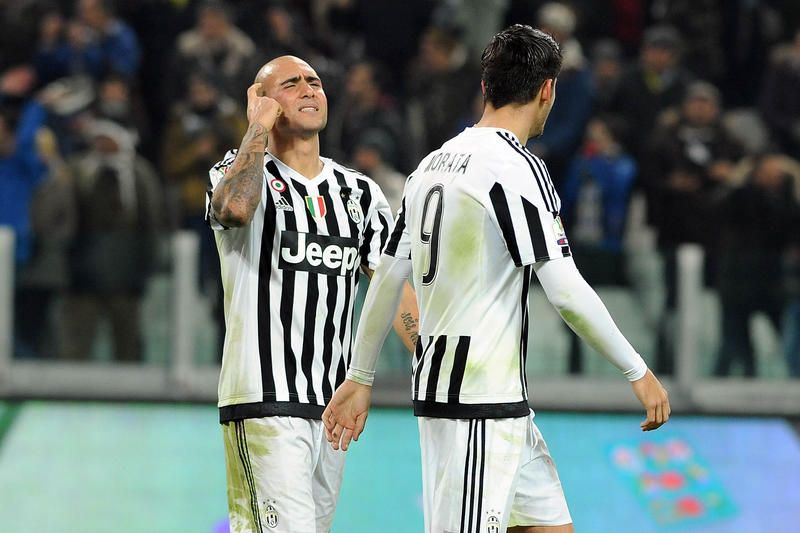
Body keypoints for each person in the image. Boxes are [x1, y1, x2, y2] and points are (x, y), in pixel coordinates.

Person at [323, 25, 670, 533]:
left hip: (499, 405)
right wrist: (636, 370)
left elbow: (389, 277)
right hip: (474, 403)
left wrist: (361, 375)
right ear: (548, 90)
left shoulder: (430, 165)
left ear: (486, 87)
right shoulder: (516, 167)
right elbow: (565, 291)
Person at [206, 55, 419, 532]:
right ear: (261, 101)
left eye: (315, 82)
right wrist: (257, 130)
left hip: (331, 410)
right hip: (263, 400)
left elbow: (391, 288)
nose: (308, 90)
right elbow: (234, 211)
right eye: (291, 84)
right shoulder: (236, 173)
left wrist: (433, 364)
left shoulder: (360, 193)